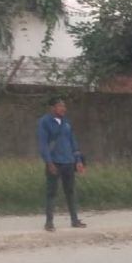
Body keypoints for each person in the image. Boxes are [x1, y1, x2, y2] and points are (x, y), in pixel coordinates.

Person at [37, 97, 86, 231]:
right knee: (51, 193)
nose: (63, 108)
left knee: (70, 192)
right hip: (54, 163)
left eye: (64, 106)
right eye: (60, 106)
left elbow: (73, 142)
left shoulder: (66, 123)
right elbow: (43, 144)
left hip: (69, 162)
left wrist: (78, 161)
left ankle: (75, 220)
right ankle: (49, 222)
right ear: (52, 108)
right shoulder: (44, 122)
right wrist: (49, 162)